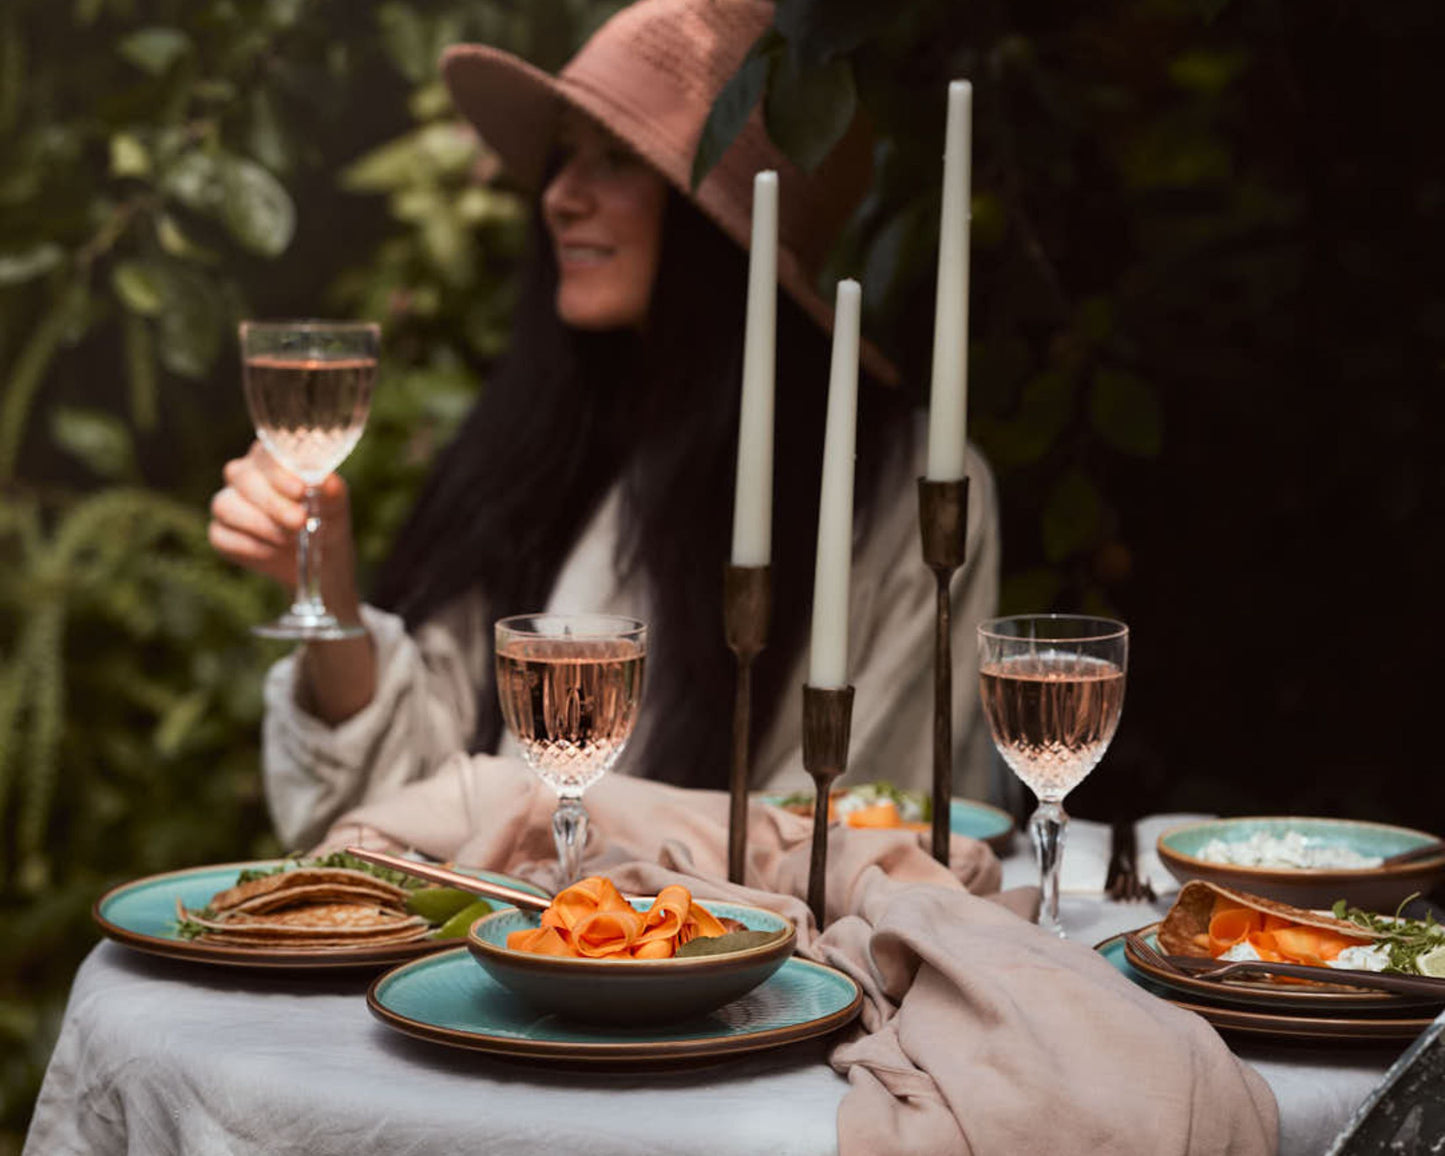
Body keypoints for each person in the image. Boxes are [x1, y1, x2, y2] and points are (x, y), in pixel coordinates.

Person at [209, 0, 1000, 851]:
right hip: (491, 949)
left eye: (616, 161)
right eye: (562, 158)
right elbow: (407, 792)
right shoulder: (549, 442)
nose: (558, 197)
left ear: (718, 226)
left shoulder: (895, 486)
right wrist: (328, 589)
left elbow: (869, 835)